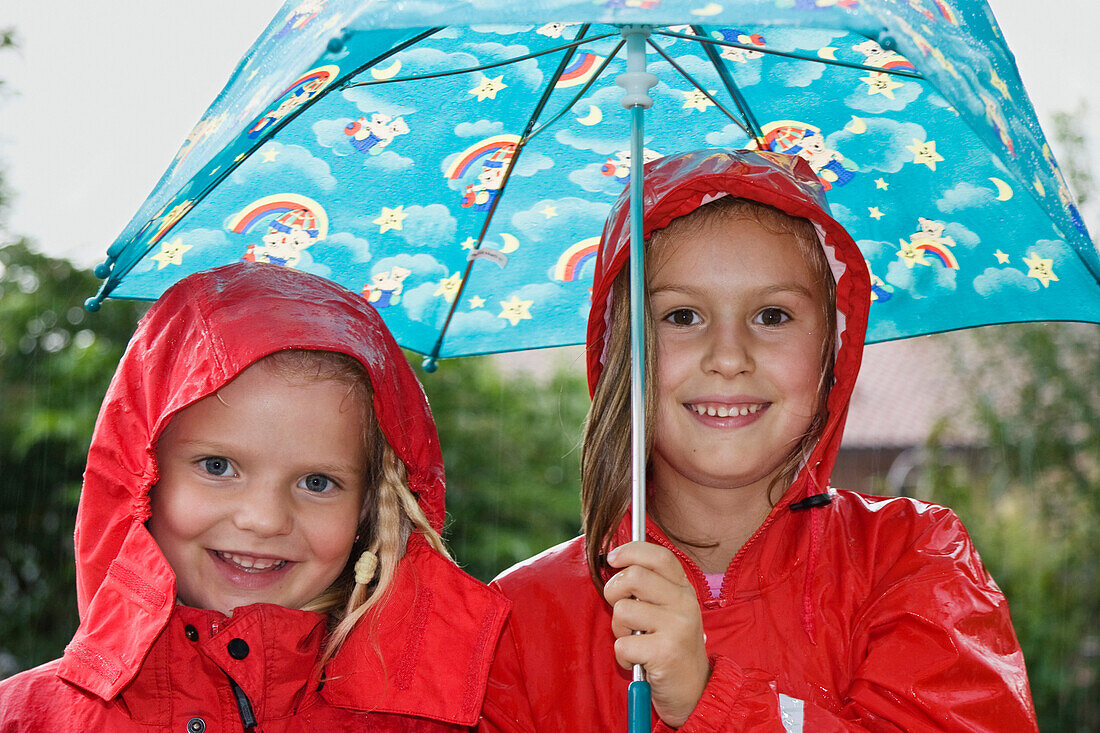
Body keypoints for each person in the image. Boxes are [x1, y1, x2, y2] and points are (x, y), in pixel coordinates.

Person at [480, 149, 1038, 731]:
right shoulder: (520, 620)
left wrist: (710, 699)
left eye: (772, 316)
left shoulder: (913, 562)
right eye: (681, 316)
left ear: (832, 353)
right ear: (621, 347)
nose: (728, 357)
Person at [0, 262, 509, 732]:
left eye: (317, 482)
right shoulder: (24, 718)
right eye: (218, 467)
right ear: (141, 477)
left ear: (371, 510)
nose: (265, 520)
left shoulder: (446, 721)